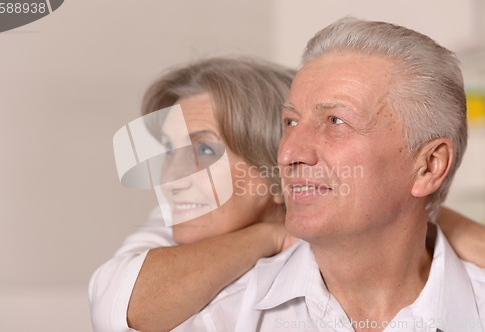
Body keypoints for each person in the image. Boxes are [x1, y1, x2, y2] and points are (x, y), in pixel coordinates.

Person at [89, 56, 485, 332]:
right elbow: (120, 306)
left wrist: (442, 221)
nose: (170, 177)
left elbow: (392, 203)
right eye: (168, 153)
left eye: (204, 150)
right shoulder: (178, 250)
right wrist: (268, 236)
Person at [234, 17, 485, 331]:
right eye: (290, 122)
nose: (288, 154)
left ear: (429, 166)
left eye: (335, 121)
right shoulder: (218, 315)